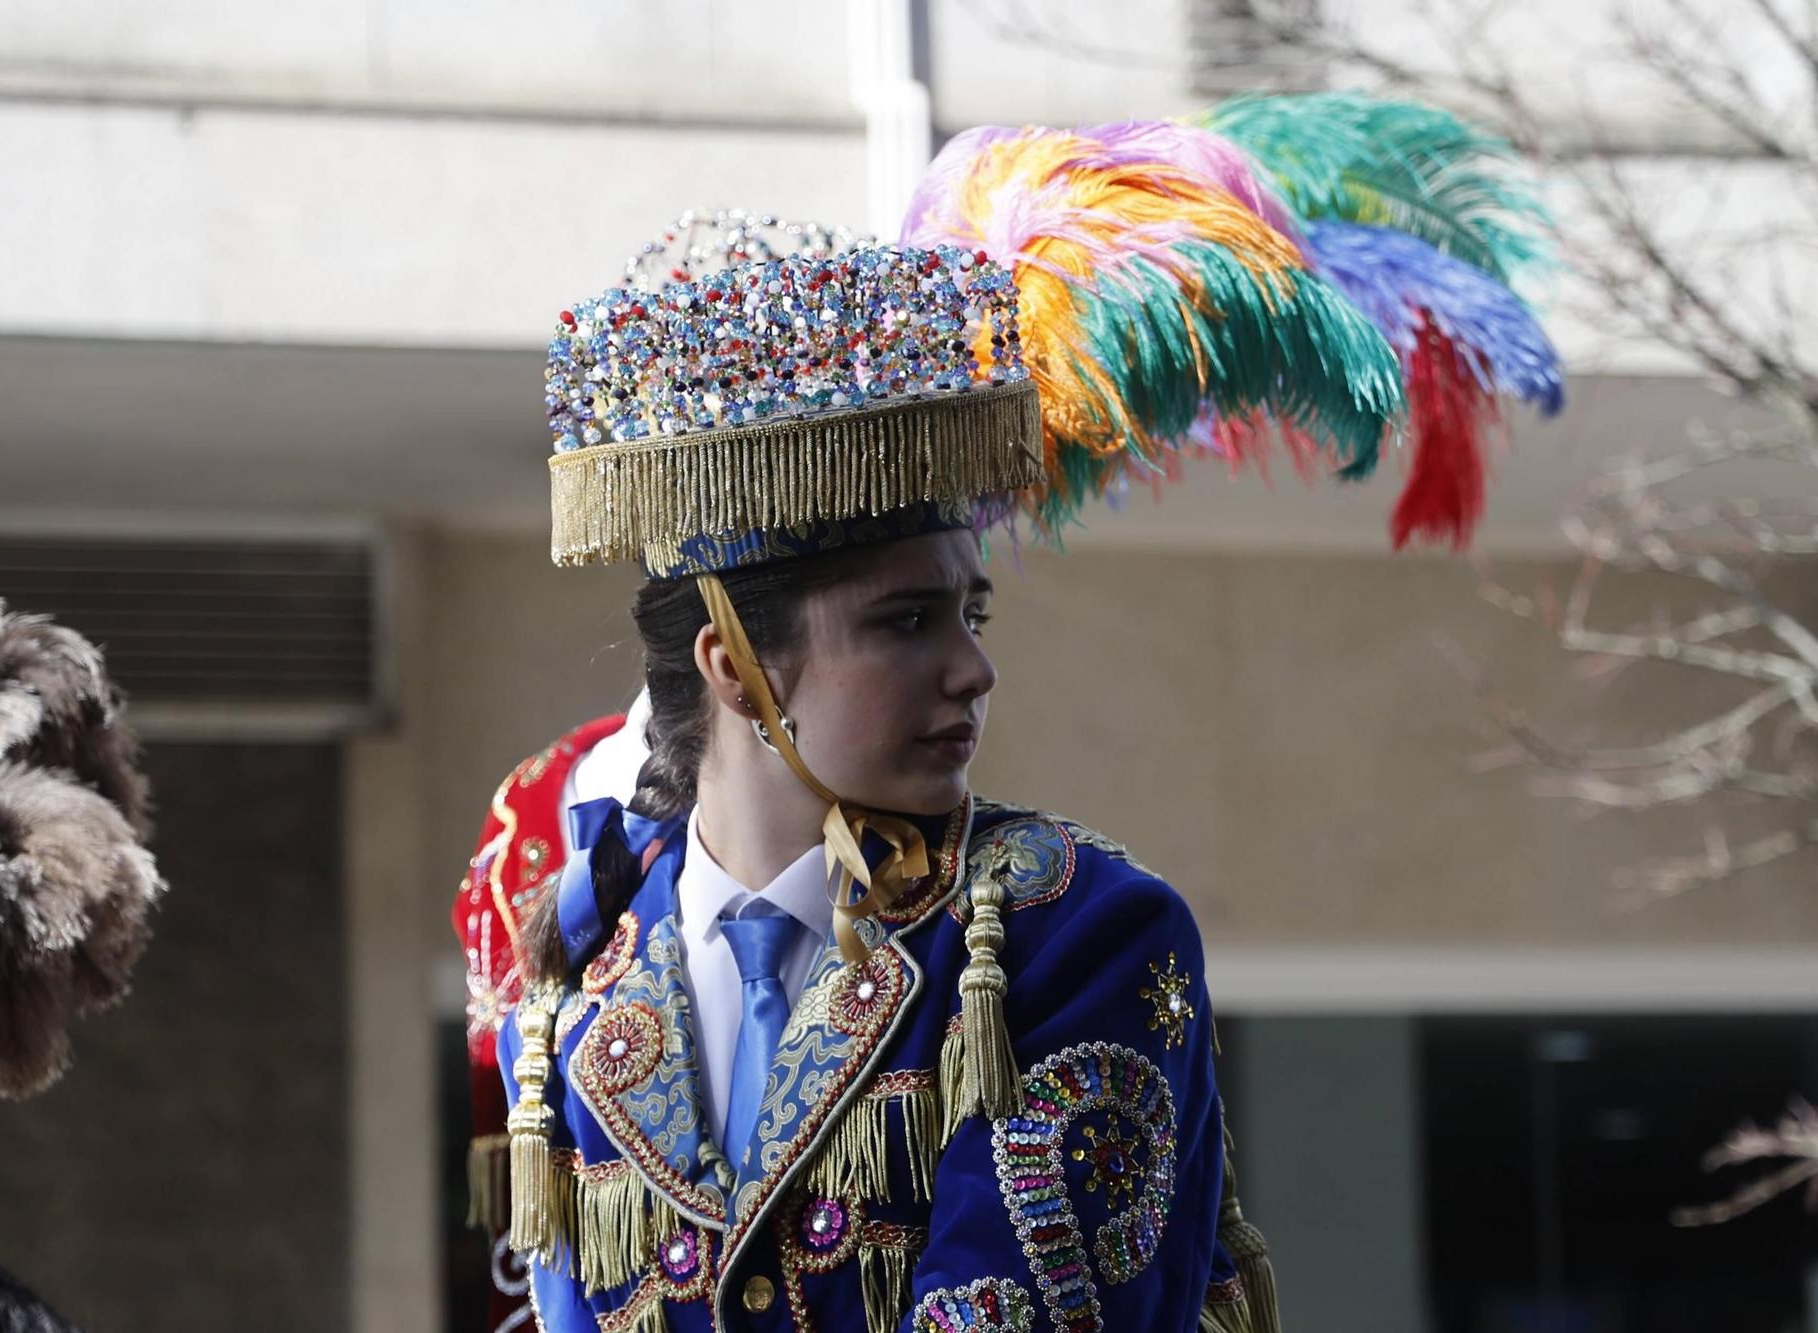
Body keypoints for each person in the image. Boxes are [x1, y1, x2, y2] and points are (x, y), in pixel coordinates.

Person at [459, 97, 1560, 1332]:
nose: (972, 671)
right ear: (733, 665)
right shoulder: (577, 980)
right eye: (903, 623)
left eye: (970, 616)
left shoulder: (1070, 931)